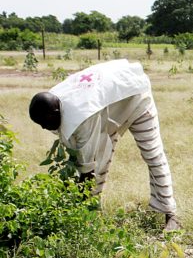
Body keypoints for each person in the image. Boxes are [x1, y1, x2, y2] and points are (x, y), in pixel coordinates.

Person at [28, 59, 182, 231]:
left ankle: (170, 213)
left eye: (44, 122)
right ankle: (93, 216)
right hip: (108, 108)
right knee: (101, 160)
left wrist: (74, 210)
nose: (43, 127)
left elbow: (87, 172)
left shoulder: (82, 117)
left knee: (153, 154)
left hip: (136, 96)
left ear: (56, 112)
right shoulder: (53, 102)